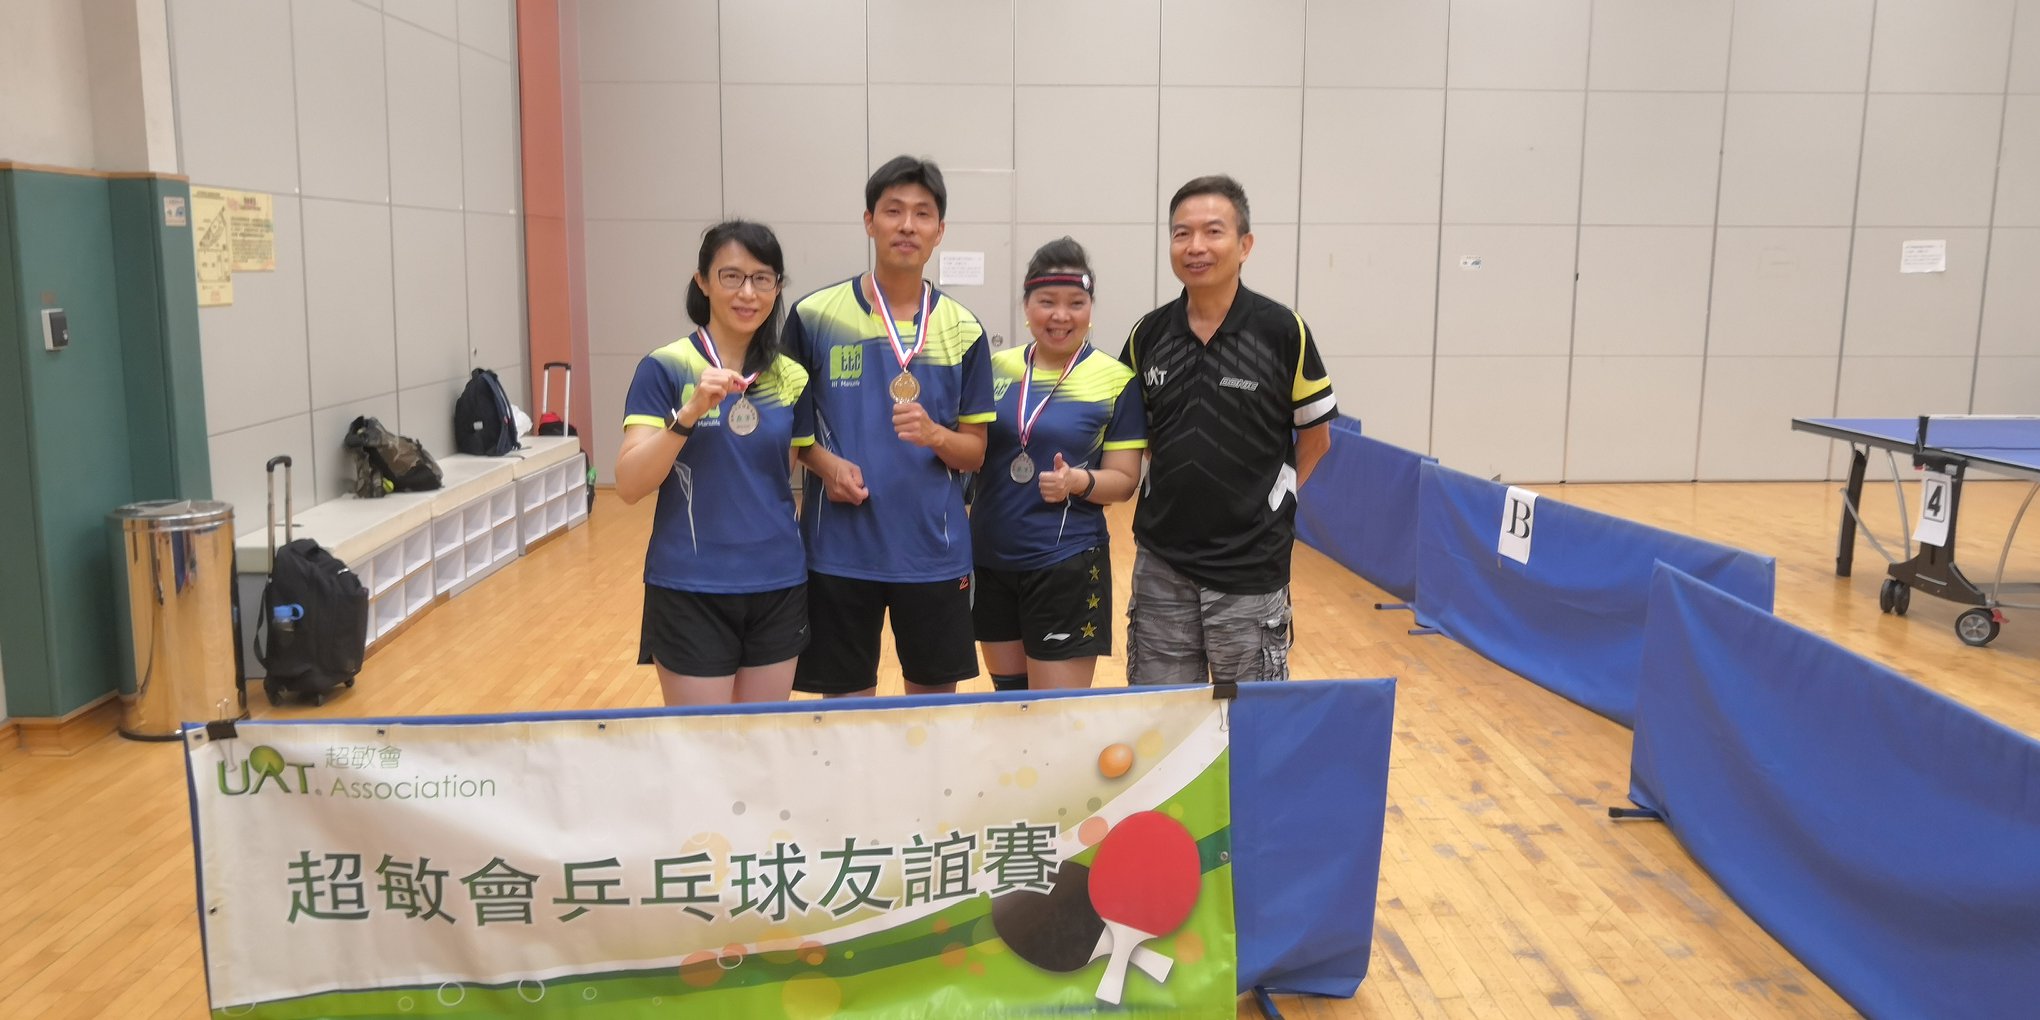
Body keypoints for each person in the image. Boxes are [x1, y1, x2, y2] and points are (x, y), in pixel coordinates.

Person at [785, 156, 995, 698]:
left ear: (939, 231)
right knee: (845, 713)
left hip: (933, 553)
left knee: (930, 713)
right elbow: (789, 430)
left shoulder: (964, 329)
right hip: (839, 550)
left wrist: (935, 435)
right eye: (893, 211)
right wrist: (826, 465)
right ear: (869, 221)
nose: (907, 225)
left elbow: (975, 453)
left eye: (922, 214)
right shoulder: (814, 316)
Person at [1120, 175, 1338, 686]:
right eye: (1182, 233)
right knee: (1162, 719)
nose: (1195, 246)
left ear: (1244, 245)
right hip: (1162, 564)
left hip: (1250, 569)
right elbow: (1137, 433)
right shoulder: (1148, 334)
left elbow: (1316, 438)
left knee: (1251, 721)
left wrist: (1274, 502)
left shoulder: (1282, 331)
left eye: (1213, 231)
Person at [615, 221, 814, 706]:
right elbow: (629, 484)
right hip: (691, 584)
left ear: (777, 288)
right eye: (731, 276)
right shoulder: (665, 367)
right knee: (703, 744)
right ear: (703, 282)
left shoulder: (791, 376)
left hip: (777, 583)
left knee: (761, 739)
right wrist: (688, 414)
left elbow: (778, 473)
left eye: (762, 279)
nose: (747, 292)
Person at [972, 239, 1146, 692]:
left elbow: (1125, 481)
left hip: (1065, 563)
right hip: (990, 561)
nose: (1060, 315)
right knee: (1010, 701)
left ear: (1091, 309)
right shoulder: (995, 368)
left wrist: (1078, 481)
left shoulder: (1115, 379)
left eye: (1075, 303)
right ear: (1026, 306)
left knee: (1056, 714)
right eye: (1047, 302)